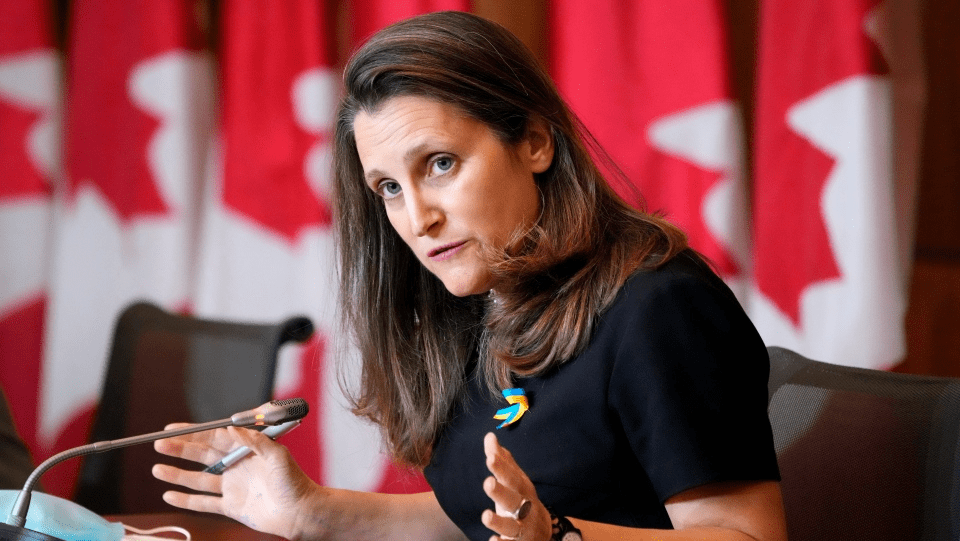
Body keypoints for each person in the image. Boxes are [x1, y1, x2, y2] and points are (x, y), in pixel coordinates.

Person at [153, 11, 787, 541]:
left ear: (534, 141)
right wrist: (310, 512)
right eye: (389, 187)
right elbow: (475, 517)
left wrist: (560, 537)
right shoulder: (482, 304)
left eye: (440, 164)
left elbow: (747, 535)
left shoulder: (660, 307)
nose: (418, 219)